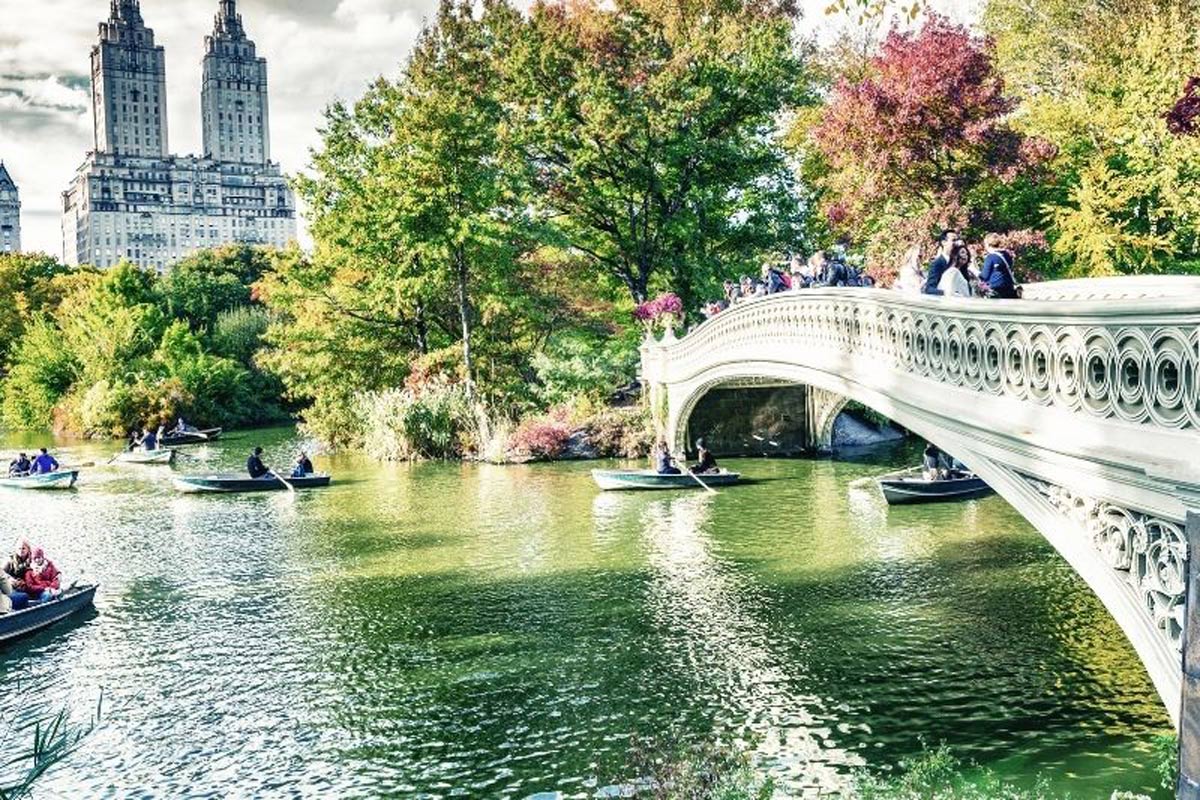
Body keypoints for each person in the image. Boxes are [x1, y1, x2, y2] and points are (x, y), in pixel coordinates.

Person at [979, 233, 1019, 299]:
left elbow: (984, 276)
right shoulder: (1007, 255)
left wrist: (977, 275)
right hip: (1009, 288)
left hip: (996, 290)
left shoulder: (990, 257)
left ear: (987, 244)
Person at [923, 229, 958, 296]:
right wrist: (946, 293)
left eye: (957, 240)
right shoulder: (937, 263)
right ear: (944, 242)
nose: (956, 243)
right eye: (953, 240)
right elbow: (929, 289)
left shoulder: (959, 262)